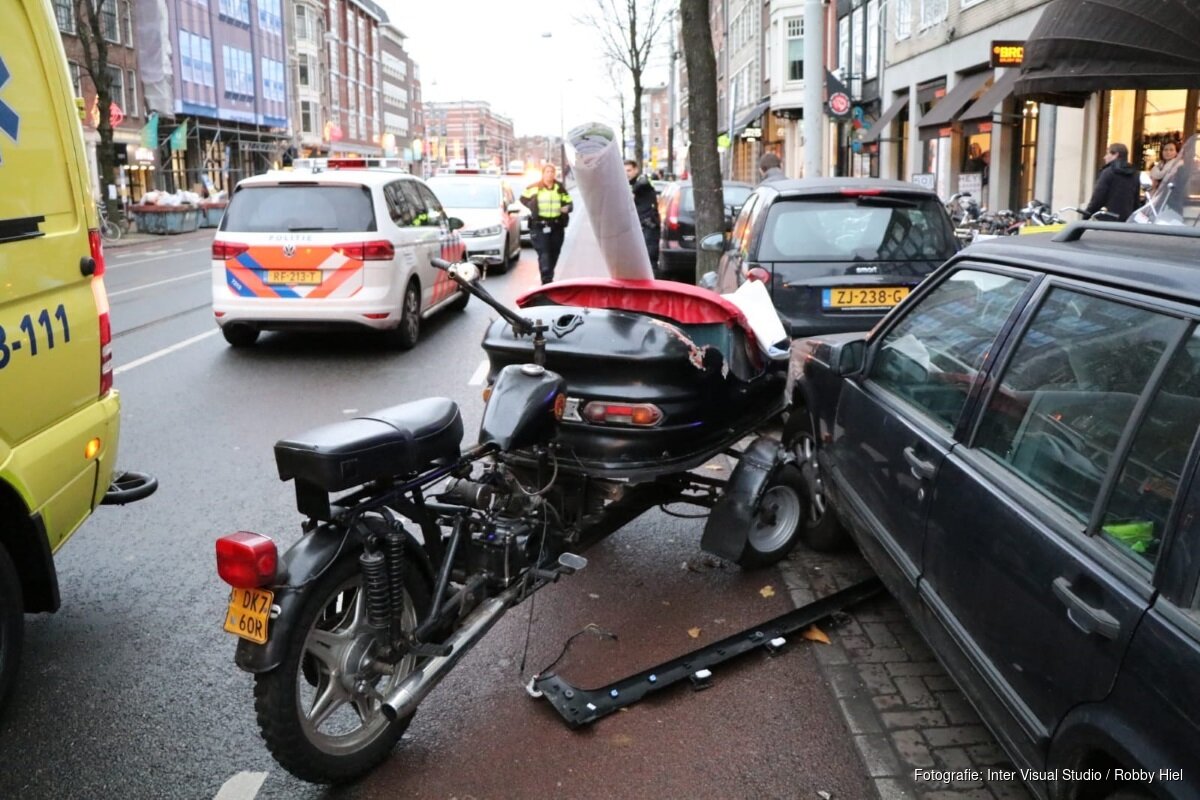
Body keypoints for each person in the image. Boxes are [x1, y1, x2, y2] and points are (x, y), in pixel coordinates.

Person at [520, 164, 573, 284]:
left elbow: (569, 203)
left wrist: (567, 208)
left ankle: (548, 275)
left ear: (554, 174)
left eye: (552, 172)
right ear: (543, 173)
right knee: (544, 252)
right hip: (539, 226)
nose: (550, 174)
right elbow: (522, 198)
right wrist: (532, 206)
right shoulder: (534, 187)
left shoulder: (559, 188)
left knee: (554, 252)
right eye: (547, 172)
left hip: (556, 226)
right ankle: (546, 280)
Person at [1084, 143, 1140, 222]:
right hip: (1126, 220)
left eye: (1107, 154)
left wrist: (1086, 215)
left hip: (1107, 219)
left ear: (1116, 155)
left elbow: (1098, 198)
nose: (1104, 157)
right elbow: (1135, 200)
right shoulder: (1135, 174)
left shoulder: (1108, 172)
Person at [625, 159, 660, 266]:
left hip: (649, 226)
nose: (626, 174)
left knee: (649, 259)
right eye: (624, 171)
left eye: (629, 170)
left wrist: (632, 191)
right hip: (639, 227)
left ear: (636, 170)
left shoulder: (643, 180)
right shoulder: (629, 184)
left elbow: (644, 183)